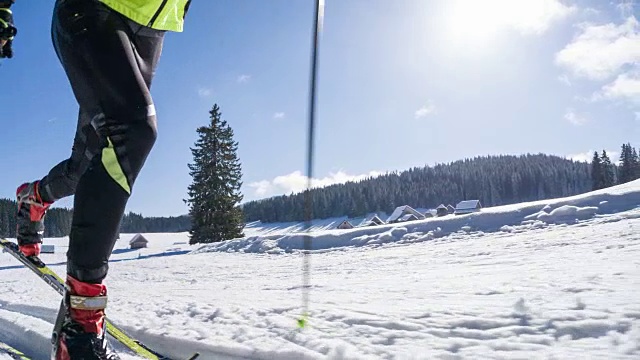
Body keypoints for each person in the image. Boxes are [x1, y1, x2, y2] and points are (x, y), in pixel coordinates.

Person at [4, 0, 191, 358]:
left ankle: (35, 198)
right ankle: (81, 325)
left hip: (153, 27)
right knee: (131, 131)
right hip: (92, 9)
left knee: (90, 161)